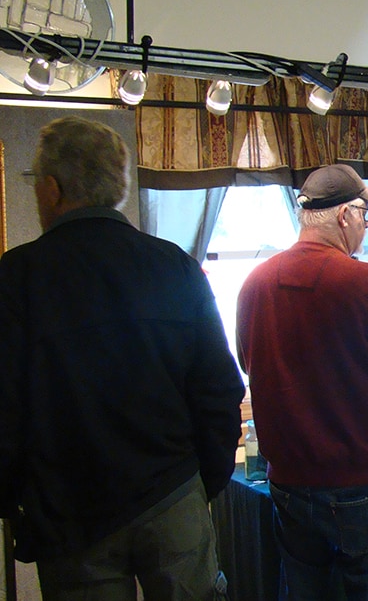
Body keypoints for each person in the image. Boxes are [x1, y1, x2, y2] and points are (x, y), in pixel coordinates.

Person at [0, 116, 246, 600]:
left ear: (51, 188)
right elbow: (220, 389)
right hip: (173, 493)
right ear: (118, 187)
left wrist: (16, 502)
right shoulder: (174, 266)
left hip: (70, 512)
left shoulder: (17, 276)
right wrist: (202, 481)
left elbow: (4, 408)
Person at [236, 164, 368, 600]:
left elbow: (248, 363)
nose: (367, 225)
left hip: (287, 484)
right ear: (345, 215)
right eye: (365, 214)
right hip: (359, 484)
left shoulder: (255, 283)